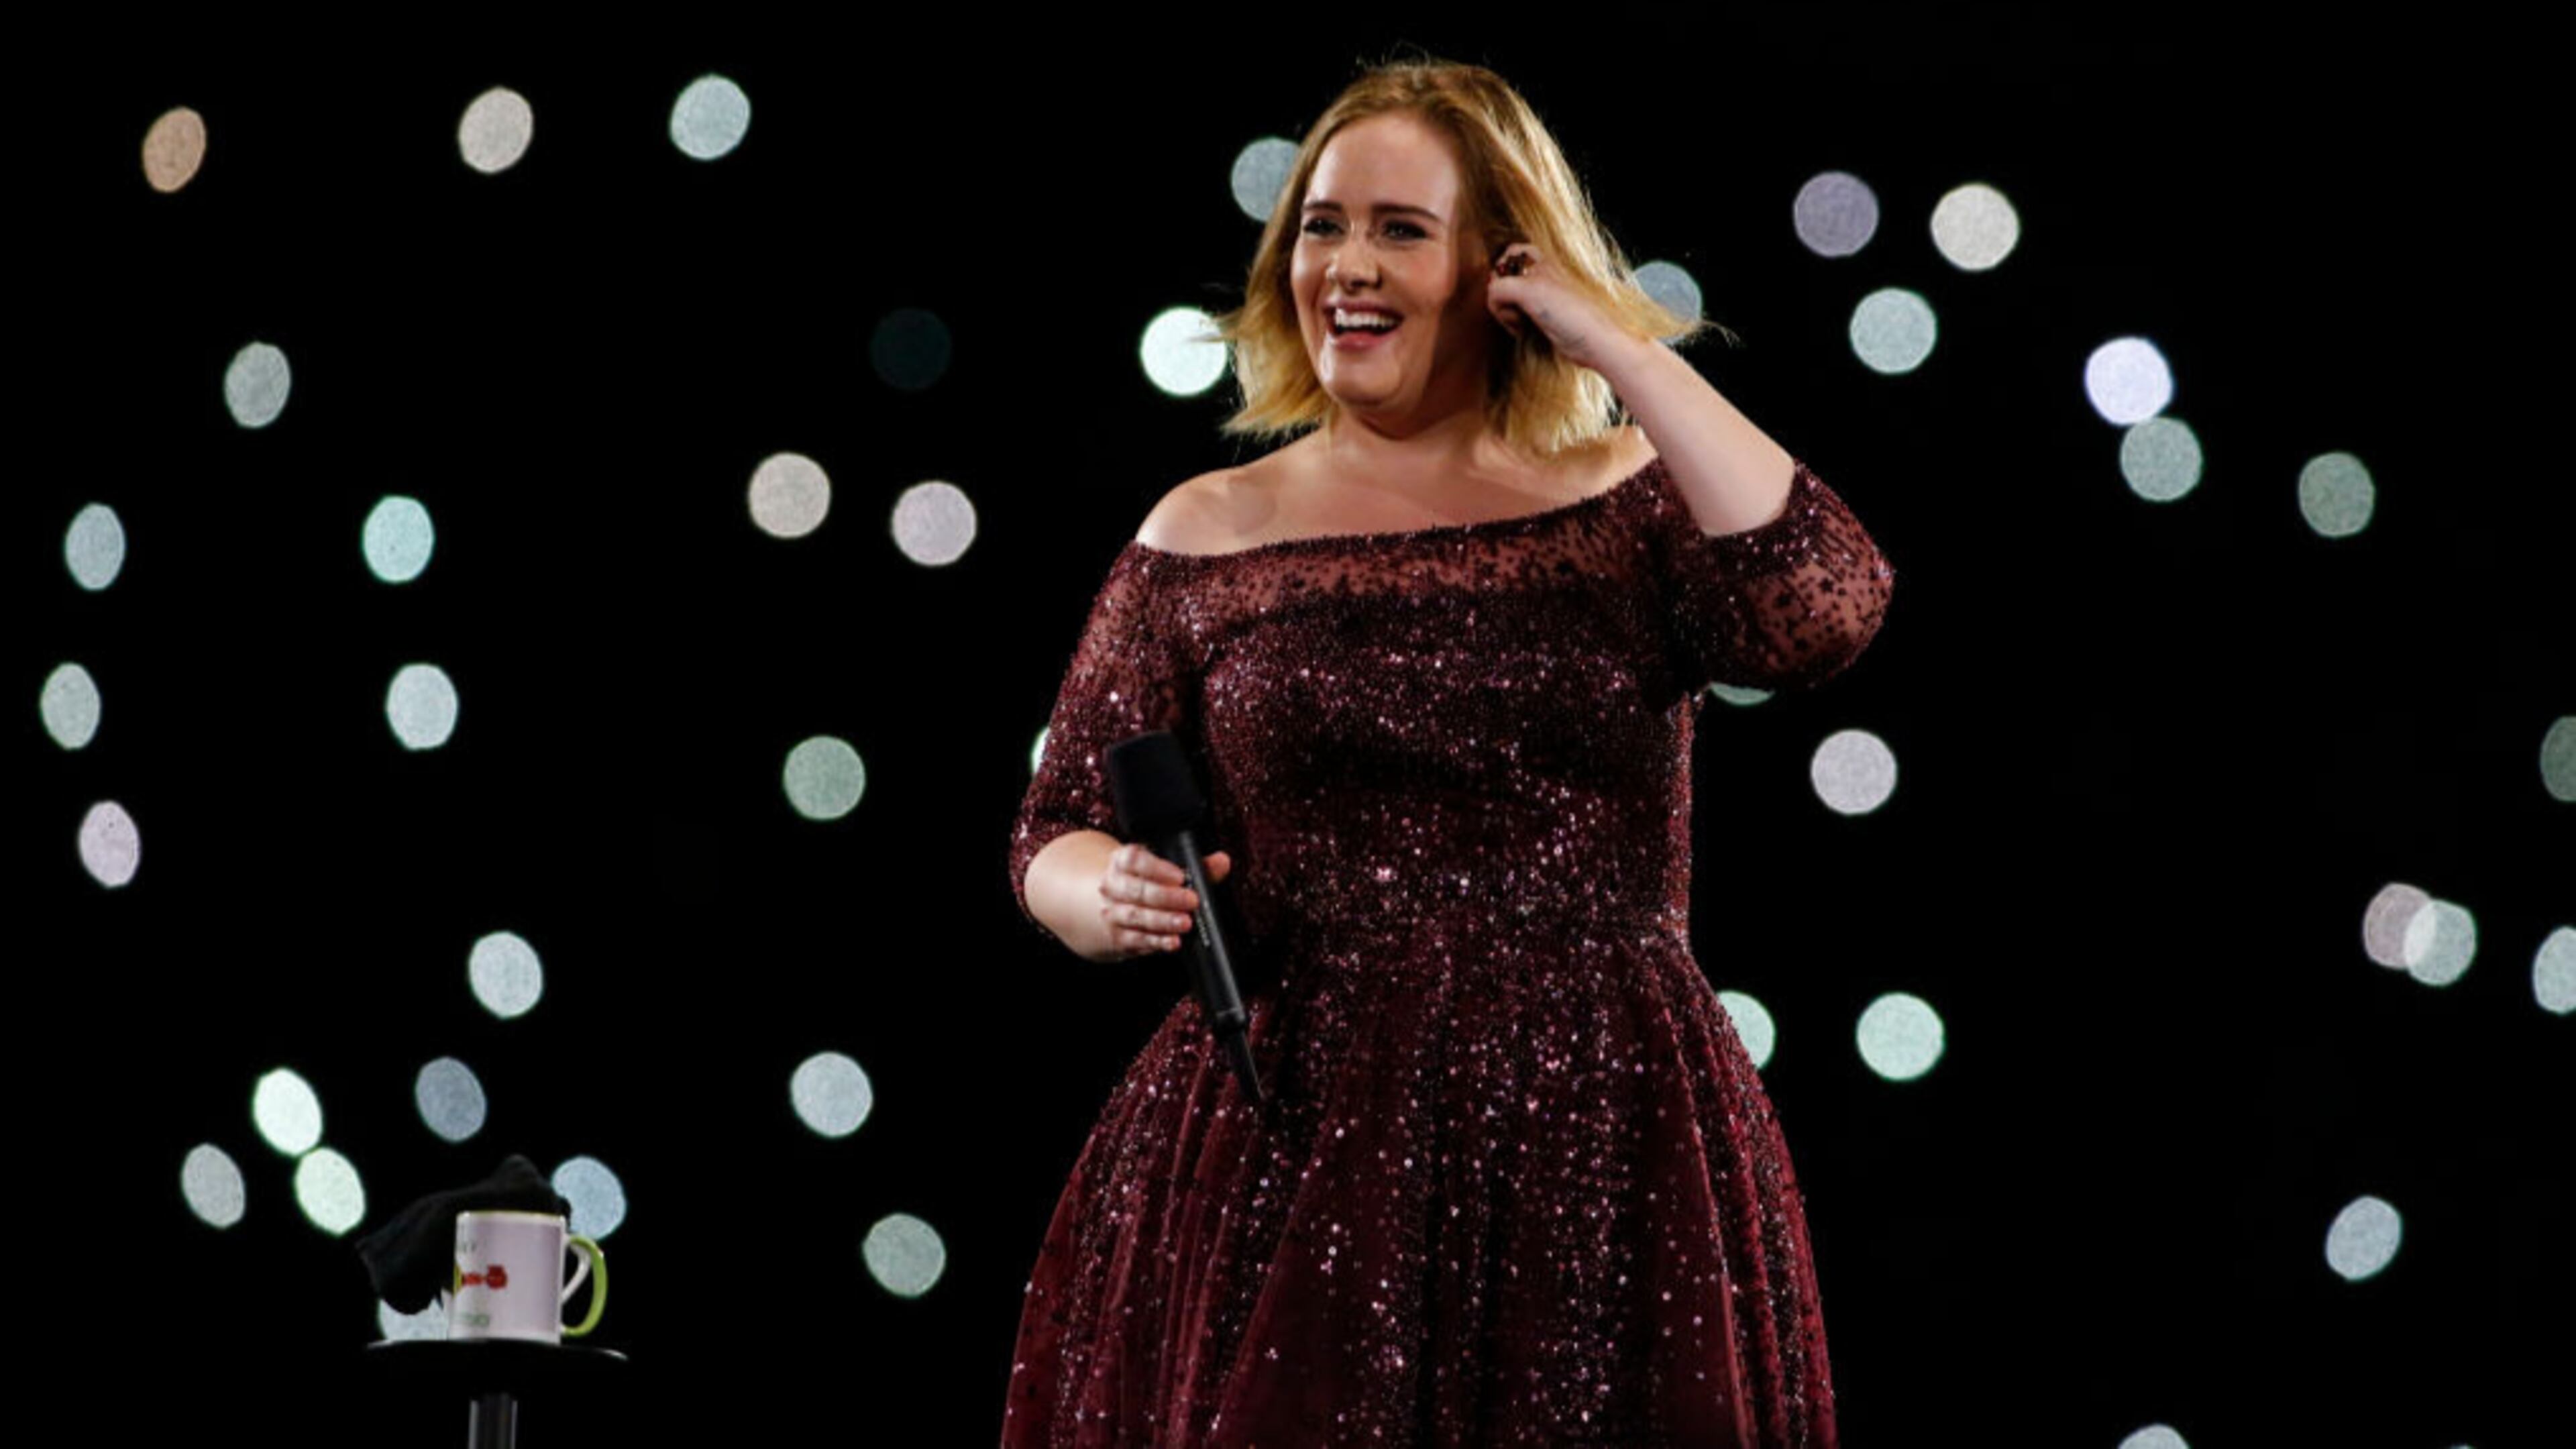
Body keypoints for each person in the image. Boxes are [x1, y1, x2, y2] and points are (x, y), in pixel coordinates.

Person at [1003, 58, 1892, 1447]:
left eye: (1401, 229)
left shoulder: (1623, 502)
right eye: (1321, 224)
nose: (1346, 265)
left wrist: (1618, 348)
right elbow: (1048, 828)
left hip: (1603, 1136)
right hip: (1288, 1137)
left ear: (1502, 265)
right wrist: (1101, 893)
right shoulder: (1205, 529)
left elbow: (1824, 604)